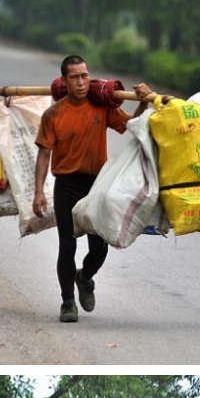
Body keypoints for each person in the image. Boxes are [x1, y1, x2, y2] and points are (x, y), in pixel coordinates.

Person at [30, 42, 154, 325]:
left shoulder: (102, 107)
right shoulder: (54, 115)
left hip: (97, 186)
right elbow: (43, 154)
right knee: (67, 244)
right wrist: (39, 192)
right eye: (74, 77)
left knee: (100, 246)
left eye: (85, 75)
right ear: (64, 81)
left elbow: (131, 126)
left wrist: (143, 101)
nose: (81, 82)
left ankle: (84, 277)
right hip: (67, 186)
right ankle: (67, 303)